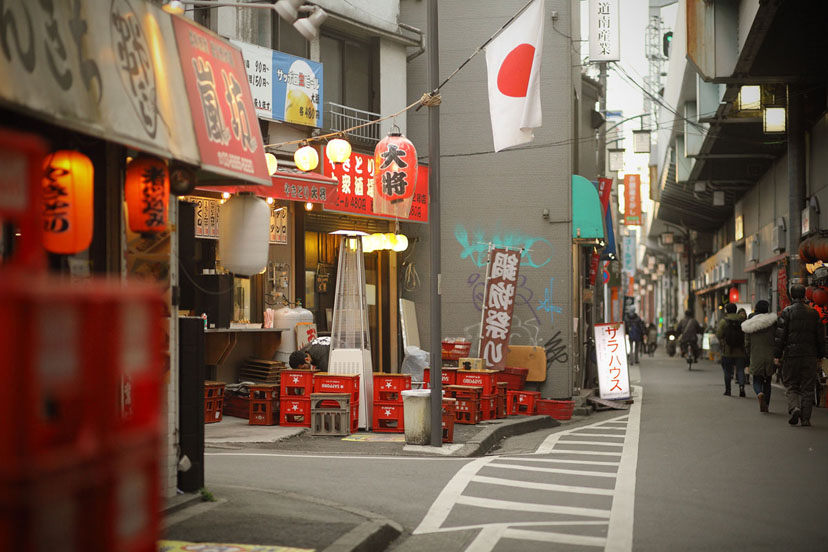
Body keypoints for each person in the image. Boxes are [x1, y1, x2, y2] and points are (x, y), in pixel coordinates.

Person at [773, 284, 825, 426]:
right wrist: (821, 355)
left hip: (791, 355)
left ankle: (794, 407)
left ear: (791, 295)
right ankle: (806, 419)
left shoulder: (787, 312)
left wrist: (777, 355)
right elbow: (820, 336)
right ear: (804, 296)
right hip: (809, 356)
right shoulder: (813, 313)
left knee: (792, 385)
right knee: (808, 387)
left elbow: (780, 336)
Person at [741, 300, 777, 412]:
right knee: (768, 381)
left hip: (756, 355)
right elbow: (777, 339)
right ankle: (767, 405)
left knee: (757, 380)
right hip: (770, 355)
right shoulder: (773, 323)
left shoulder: (749, 325)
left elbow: (747, 343)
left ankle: (760, 394)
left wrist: (749, 353)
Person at [717, 303, 748, 396]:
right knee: (740, 370)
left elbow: (719, 334)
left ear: (726, 310)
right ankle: (742, 388)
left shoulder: (724, 321)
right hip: (741, 351)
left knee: (727, 370)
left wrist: (723, 343)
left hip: (728, 351)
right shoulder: (742, 320)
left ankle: (728, 390)